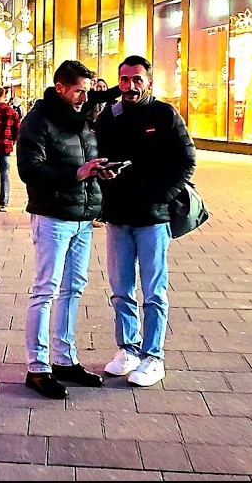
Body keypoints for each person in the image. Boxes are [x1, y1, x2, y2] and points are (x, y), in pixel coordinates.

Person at [16, 60, 118, 399]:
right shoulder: (38, 121)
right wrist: (77, 174)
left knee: (74, 287)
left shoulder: (83, 120)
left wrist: (98, 172)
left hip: (84, 217)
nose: (84, 97)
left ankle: (64, 359)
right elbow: (29, 169)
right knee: (45, 289)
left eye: (87, 91)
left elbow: (85, 161)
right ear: (60, 87)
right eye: (79, 90)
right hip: (53, 216)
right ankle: (38, 367)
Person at [94, 55, 195, 387]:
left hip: (152, 217)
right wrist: (103, 175)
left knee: (154, 291)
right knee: (121, 290)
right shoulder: (109, 116)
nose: (130, 86)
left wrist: (163, 195)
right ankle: (128, 350)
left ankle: (154, 357)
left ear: (148, 81)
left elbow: (186, 158)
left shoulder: (164, 114)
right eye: (124, 80)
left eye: (137, 79)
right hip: (118, 216)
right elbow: (95, 155)